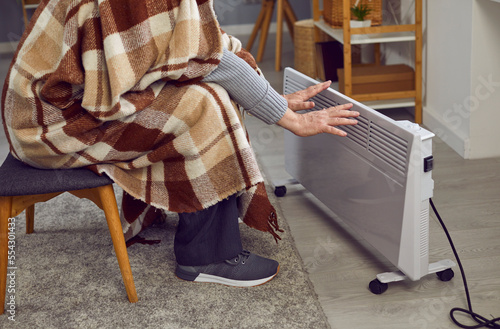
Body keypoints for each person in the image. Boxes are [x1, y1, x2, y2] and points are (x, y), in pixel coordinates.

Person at [1, 0, 359, 288]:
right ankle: (205, 256)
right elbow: (208, 63)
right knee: (202, 104)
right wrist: (287, 117)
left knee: (208, 93)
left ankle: (199, 224)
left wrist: (269, 97)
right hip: (52, 128)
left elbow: (209, 45)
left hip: (64, 107)